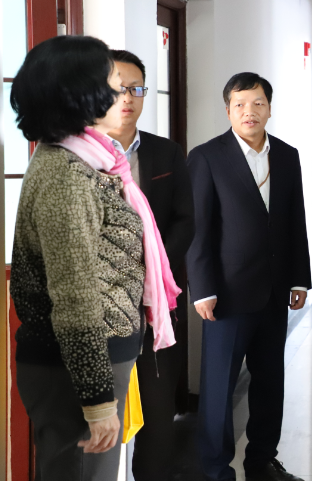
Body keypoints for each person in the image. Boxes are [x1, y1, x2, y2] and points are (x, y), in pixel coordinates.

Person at [9, 35, 180, 481]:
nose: (119, 93)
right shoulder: (66, 175)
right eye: (110, 83)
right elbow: (75, 297)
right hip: (77, 368)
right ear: (80, 93)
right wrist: (98, 400)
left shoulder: (90, 161)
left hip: (97, 360)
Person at [186, 72, 311, 481]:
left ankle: (262, 461)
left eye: (258, 103)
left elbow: (294, 220)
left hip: (274, 292)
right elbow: (198, 229)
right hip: (226, 294)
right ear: (228, 111)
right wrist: (202, 288)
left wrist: (299, 278)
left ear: (269, 109)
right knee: (219, 389)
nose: (249, 111)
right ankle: (215, 469)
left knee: (270, 382)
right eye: (239, 104)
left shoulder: (287, 156)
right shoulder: (206, 157)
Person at [105, 49, 195, 481]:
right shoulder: (79, 154)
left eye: (135, 88)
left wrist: (150, 269)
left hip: (157, 306)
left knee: (159, 417)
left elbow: (185, 220)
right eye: (116, 88)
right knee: (103, 419)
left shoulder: (166, 153)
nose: (127, 97)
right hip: (104, 309)